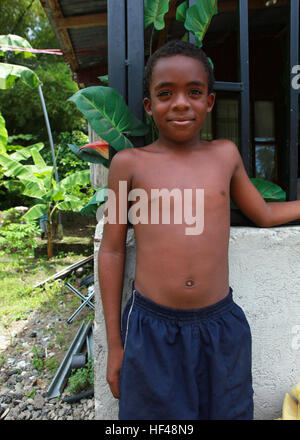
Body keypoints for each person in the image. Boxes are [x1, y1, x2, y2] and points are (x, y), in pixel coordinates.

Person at [98, 40, 300, 420]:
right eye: (165, 93)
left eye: (193, 92)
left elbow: (264, 213)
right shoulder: (128, 165)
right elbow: (111, 249)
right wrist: (114, 343)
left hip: (220, 327)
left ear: (209, 102)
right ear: (148, 106)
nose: (179, 103)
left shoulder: (224, 155)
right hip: (150, 330)